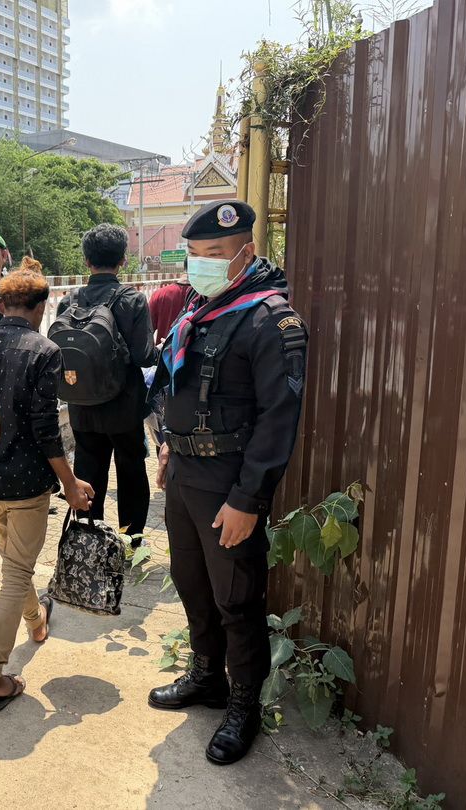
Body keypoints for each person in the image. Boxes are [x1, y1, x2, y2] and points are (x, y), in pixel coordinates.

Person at [147, 200, 308, 766]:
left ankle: (244, 705)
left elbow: (277, 419)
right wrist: (170, 444)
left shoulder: (270, 320)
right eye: (195, 254)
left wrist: (249, 499)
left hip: (229, 482)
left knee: (237, 599)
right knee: (191, 582)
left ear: (247, 253)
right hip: (186, 472)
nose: (203, 264)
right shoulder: (202, 307)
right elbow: (182, 385)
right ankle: (206, 676)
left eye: (215, 253)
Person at [0, 257, 95, 711]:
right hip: (27, 483)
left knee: (14, 563)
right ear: (41, 307)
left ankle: (36, 622)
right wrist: (71, 482)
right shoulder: (45, 352)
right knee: (17, 572)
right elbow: (47, 430)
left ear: (2, 305)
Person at [55, 223, 157, 541]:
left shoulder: (69, 301)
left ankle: (89, 538)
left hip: (81, 404)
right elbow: (143, 356)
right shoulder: (133, 300)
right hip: (124, 405)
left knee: (88, 470)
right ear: (123, 260)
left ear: (87, 261)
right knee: (131, 470)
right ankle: (131, 539)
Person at [148, 274, 195, 344]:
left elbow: (148, 330)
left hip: (164, 348)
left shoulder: (159, 294)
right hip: (194, 348)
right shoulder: (204, 297)